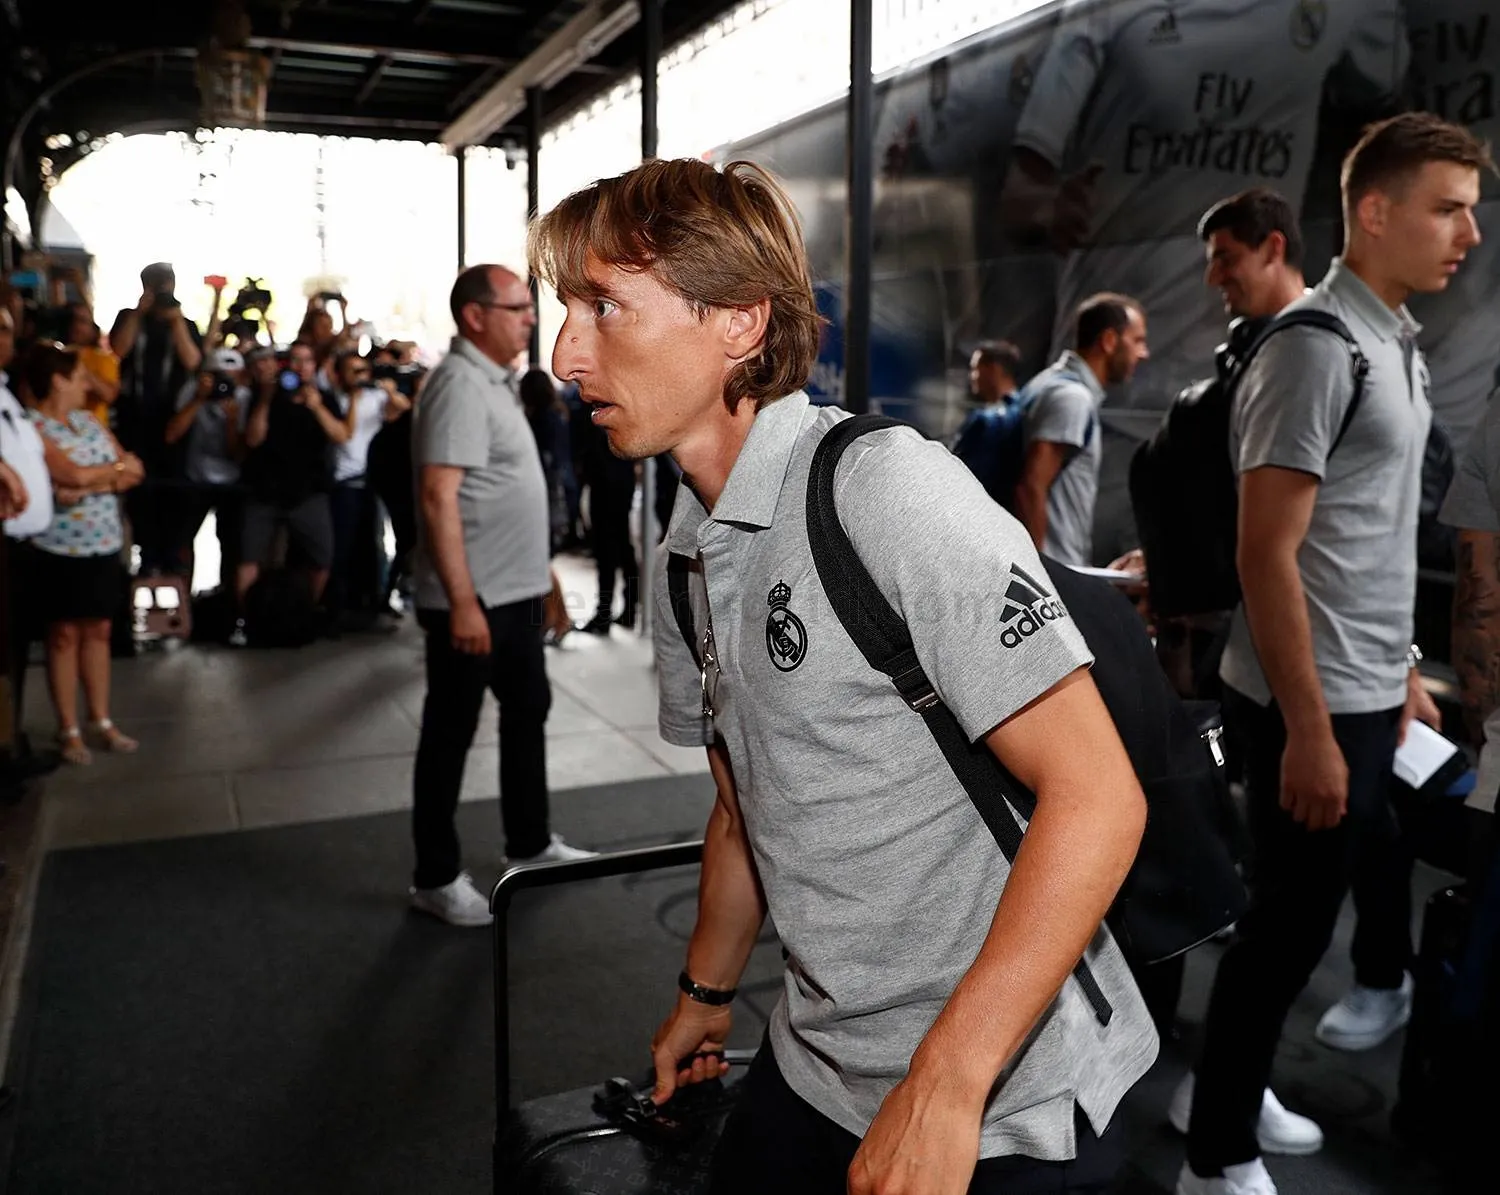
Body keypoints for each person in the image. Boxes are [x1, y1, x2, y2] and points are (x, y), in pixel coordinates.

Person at [534, 157, 1157, 1194]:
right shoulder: (684, 555)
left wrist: (949, 1082)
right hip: (816, 1064)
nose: (566, 352)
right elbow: (744, 811)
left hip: (1006, 1101)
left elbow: (1098, 797)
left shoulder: (886, 492)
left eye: (605, 306)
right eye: (568, 308)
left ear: (738, 320)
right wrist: (707, 988)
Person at [1178, 112, 1488, 1195]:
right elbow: (1268, 555)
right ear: (1374, 210)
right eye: (1448, 207)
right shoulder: (1316, 347)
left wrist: (1400, 666)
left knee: (1304, 919)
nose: (1471, 232)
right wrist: (1310, 728)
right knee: (1284, 934)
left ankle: (1228, 1091)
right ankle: (1214, 1155)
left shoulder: (1391, 340)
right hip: (1307, 701)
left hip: (1362, 688)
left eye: (1474, 209)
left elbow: (1374, 530)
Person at [408, 265, 588, 929]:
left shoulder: (494, 381)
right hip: (475, 598)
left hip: (511, 593)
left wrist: (543, 580)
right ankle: (433, 876)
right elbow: (437, 496)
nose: (531, 317)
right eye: (517, 307)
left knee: (527, 709)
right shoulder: (458, 384)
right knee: (449, 734)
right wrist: (462, 602)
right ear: (475, 316)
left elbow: (510, 496)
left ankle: (531, 841)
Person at [24, 344, 145, 765]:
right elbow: (66, 475)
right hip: (59, 547)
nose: (86, 385)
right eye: (79, 376)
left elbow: (134, 468)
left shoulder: (89, 422)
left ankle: (100, 718)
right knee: (63, 637)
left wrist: (91, 485)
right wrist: (106, 475)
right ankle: (68, 729)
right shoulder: (32, 427)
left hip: (104, 542)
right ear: (57, 379)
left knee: (99, 632)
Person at [1014, 293, 1149, 566]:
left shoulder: (1047, 382)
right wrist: (1039, 577)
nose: (1143, 353)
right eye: (1137, 341)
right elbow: (1031, 487)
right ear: (1109, 341)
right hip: (1051, 574)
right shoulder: (1072, 397)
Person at [235, 340, 348, 633]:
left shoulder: (324, 397)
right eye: (294, 361)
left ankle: (302, 615)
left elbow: (340, 435)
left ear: (314, 366)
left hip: (308, 492)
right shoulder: (263, 396)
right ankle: (248, 619)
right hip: (265, 490)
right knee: (250, 556)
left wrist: (317, 407)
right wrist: (266, 398)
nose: (300, 368)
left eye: (306, 361)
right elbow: (252, 439)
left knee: (322, 557)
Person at [109, 262, 202, 574]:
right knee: (139, 491)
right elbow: (118, 351)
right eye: (156, 283)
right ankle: (145, 555)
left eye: (167, 283)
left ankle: (170, 558)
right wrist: (139, 311)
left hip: (173, 423)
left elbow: (192, 361)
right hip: (134, 421)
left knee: (171, 492)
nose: (163, 288)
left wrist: (175, 321)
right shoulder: (129, 317)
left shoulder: (185, 324)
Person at [0, 308, 53, 770]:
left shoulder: (7, 394)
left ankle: (12, 740)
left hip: (20, 548)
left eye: (6, 330)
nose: (3, 338)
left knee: (15, 654)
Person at [950, 339, 1023, 507]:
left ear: (993, 370)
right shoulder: (1023, 410)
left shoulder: (987, 421)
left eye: (975, 369)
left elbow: (962, 475)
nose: (972, 376)